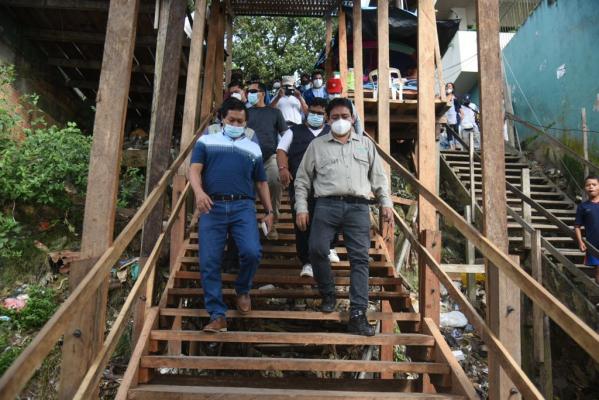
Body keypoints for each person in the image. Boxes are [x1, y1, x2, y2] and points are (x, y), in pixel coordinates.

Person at [294, 98, 394, 336]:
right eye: (335, 117)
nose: (340, 121)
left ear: (353, 118)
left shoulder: (366, 146)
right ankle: (328, 292)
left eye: (345, 116)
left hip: (358, 208)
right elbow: (302, 179)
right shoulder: (317, 146)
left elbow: (379, 178)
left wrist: (386, 203)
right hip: (326, 205)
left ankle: (358, 314)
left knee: (360, 260)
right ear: (328, 120)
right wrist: (301, 207)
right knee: (316, 249)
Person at [189, 98, 274, 332]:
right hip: (212, 207)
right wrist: (199, 193)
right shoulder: (206, 142)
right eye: (232, 120)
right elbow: (194, 171)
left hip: (243, 207)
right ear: (222, 119)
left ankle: (243, 288)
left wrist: (269, 211)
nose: (236, 124)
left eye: (241, 121)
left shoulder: (253, 147)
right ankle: (217, 315)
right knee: (209, 261)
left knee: (251, 252)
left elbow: (261, 182)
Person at [276, 97, 340, 278]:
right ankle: (306, 261)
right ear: (306, 111)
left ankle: (330, 247)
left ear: (326, 116)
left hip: (328, 184)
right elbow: (281, 150)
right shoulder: (294, 131)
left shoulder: (332, 131)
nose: (315, 116)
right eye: (312, 112)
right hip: (300, 184)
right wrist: (283, 169)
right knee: (302, 222)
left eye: (320, 113)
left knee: (331, 217)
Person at [247, 82, 288, 238]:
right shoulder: (244, 112)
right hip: (248, 158)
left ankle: (273, 223)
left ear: (262, 93)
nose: (249, 93)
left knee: (276, 181)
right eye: (248, 91)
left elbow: (286, 135)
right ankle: (247, 225)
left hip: (270, 157)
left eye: (252, 91)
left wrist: (285, 158)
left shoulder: (274, 113)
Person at [575, 175, 599, 284]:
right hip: (593, 244)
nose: (591, 187)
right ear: (585, 188)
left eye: (594, 185)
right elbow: (577, 226)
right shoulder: (582, 207)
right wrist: (580, 242)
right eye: (588, 185)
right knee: (598, 272)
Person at [444, 82, 460, 150]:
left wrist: (461, 114)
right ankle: (451, 146)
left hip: (455, 115)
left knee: (456, 129)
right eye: (447, 87)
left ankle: (457, 144)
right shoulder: (444, 97)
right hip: (447, 114)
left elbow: (458, 107)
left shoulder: (455, 97)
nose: (448, 88)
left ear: (453, 88)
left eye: (450, 87)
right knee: (448, 130)